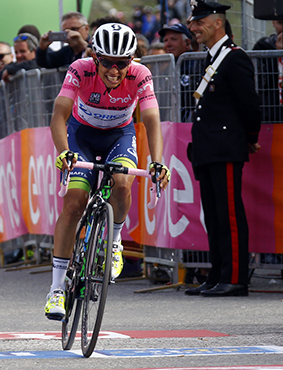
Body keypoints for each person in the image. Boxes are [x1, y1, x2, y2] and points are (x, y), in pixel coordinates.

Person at [44, 23, 170, 319]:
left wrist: (157, 160)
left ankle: (114, 241)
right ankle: (57, 289)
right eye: (107, 63)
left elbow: (152, 120)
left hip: (119, 135)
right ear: (95, 57)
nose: (114, 70)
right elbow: (58, 116)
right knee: (74, 202)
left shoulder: (141, 75)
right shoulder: (80, 68)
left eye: (122, 63)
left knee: (122, 182)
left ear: (132, 61)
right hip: (80, 135)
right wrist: (64, 152)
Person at [185, 0, 261, 297]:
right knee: (214, 215)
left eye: (199, 22)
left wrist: (250, 136)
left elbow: (249, 104)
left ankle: (235, 278)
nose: (193, 28)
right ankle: (217, 274)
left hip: (225, 147)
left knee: (229, 214)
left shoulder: (234, 58)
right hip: (209, 147)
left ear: (218, 23)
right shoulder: (212, 57)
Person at [158, 22, 196, 122]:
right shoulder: (166, 69)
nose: (168, 44)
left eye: (174, 39)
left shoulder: (197, 66)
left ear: (187, 43)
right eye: (165, 40)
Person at [253, 20, 283, 123]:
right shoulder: (263, 46)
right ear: (274, 22)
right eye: (281, 23)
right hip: (271, 112)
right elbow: (261, 81)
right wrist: (277, 53)